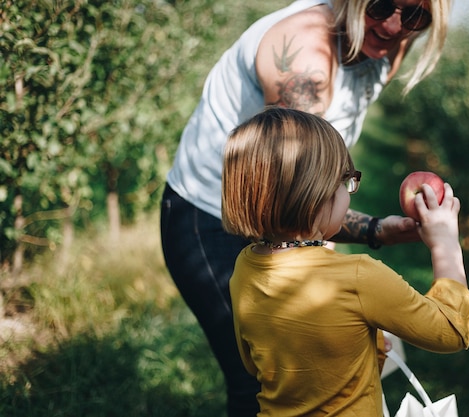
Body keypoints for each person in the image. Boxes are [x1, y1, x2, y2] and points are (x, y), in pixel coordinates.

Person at [160, 0, 453, 415]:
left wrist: (375, 231)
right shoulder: (303, 51)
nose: (392, 26)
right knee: (263, 378)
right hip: (210, 217)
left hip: (287, 223)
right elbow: (297, 196)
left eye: (415, 16)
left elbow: (309, 208)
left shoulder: (385, 42)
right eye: (382, 5)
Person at [222, 106, 469, 416]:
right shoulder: (359, 277)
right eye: (345, 183)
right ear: (315, 195)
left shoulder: (244, 268)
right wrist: (445, 243)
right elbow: (452, 330)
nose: (350, 194)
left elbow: (255, 364)